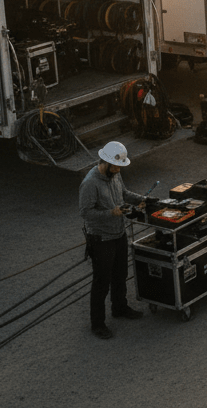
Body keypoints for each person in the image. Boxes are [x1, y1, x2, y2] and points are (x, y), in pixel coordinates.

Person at [79, 141, 146, 339]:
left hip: (118, 233)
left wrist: (141, 199)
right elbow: (85, 212)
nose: (118, 170)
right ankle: (97, 324)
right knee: (102, 281)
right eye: (115, 166)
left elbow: (124, 194)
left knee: (120, 274)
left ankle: (120, 307)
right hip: (101, 239)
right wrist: (112, 212)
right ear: (105, 162)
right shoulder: (90, 183)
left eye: (120, 167)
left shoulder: (115, 174)